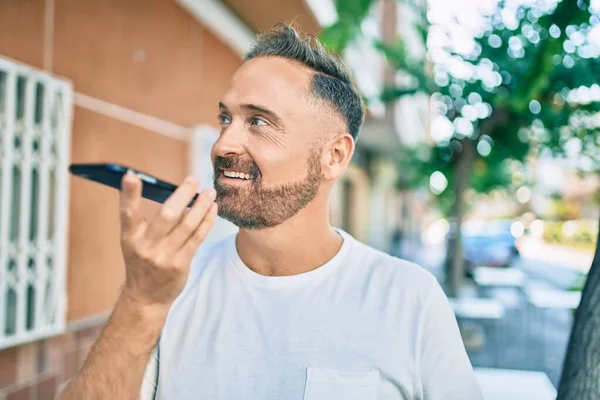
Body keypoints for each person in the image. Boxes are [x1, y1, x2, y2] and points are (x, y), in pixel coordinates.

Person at [58, 24, 483, 400]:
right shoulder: (170, 286)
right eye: (226, 118)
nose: (223, 144)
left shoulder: (409, 298)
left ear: (334, 156)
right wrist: (141, 302)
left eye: (258, 122)